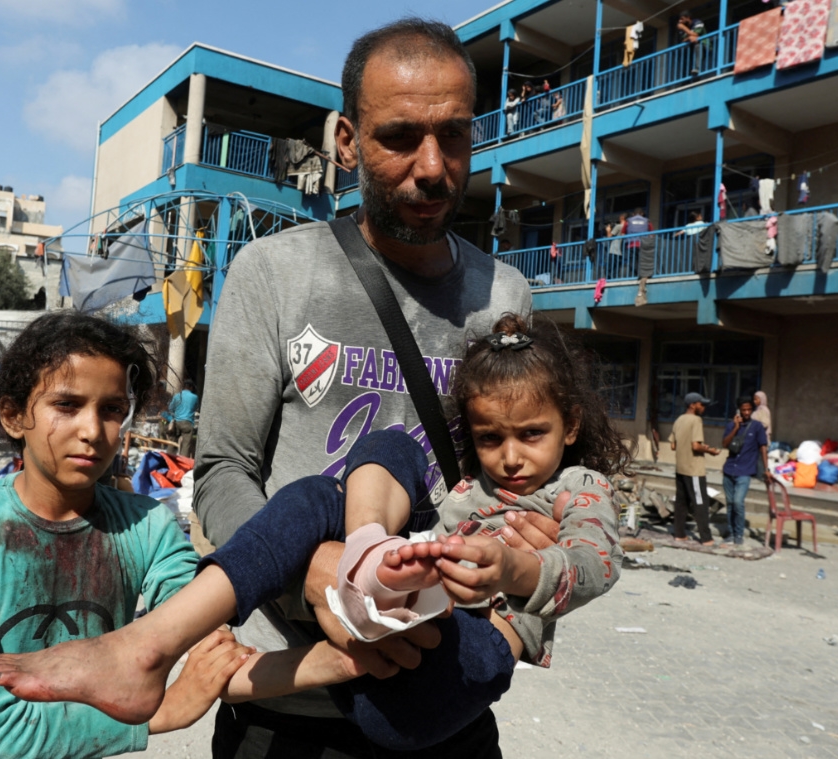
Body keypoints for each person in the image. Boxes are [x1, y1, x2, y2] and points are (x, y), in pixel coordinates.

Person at [0, 313, 626, 752]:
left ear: (569, 425)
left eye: (530, 434)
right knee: (354, 469)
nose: (510, 455)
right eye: (489, 437)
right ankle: (155, 642)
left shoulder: (578, 488)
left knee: (411, 600)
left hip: (460, 666)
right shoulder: (470, 490)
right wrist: (383, 553)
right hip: (391, 638)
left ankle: (355, 586)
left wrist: (513, 570)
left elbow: (595, 564)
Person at [201, 18, 535, 757]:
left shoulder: (505, 295)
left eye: (453, 135)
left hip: (443, 705)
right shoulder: (273, 273)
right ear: (346, 141)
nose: (432, 165)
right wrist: (307, 576)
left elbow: (517, 488)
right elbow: (222, 472)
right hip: (295, 707)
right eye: (399, 137)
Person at [0, 312, 282, 758]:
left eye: (112, 410)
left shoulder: (147, 527)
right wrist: (162, 711)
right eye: (67, 405)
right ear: (15, 417)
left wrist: (345, 660)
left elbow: (214, 653)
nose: (93, 431)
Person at [669, 391, 719, 546]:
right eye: (701, 404)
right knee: (700, 502)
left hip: (681, 467)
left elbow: (673, 445)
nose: (703, 407)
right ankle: (706, 538)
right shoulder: (696, 420)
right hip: (693, 469)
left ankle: (679, 534)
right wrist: (710, 450)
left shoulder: (679, 420)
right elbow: (695, 445)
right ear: (693, 405)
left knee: (681, 502)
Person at [719, 397, 770, 546]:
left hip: (745, 471)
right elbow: (724, 444)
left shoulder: (757, 427)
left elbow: (763, 448)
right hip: (729, 469)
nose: (746, 412)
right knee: (729, 503)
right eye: (744, 410)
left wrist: (766, 469)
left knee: (737, 502)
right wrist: (735, 428)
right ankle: (731, 533)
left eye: (749, 409)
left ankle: (739, 534)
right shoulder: (731, 425)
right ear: (739, 410)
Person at [164, 380, 199, 459]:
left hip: (176, 422)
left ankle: (169, 459)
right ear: (191, 387)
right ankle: (183, 462)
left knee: (172, 443)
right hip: (188, 422)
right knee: (186, 445)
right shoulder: (195, 397)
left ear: (183, 387)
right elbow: (196, 408)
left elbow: (170, 408)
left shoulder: (177, 396)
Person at [677, 11, 707, 76]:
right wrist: (690, 37)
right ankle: (686, 78)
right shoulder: (683, 29)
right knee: (686, 53)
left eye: (682, 19)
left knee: (697, 44)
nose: (680, 21)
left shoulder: (698, 22)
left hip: (704, 45)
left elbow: (696, 34)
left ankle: (697, 68)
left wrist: (684, 28)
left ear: (688, 18)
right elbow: (683, 39)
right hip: (692, 49)